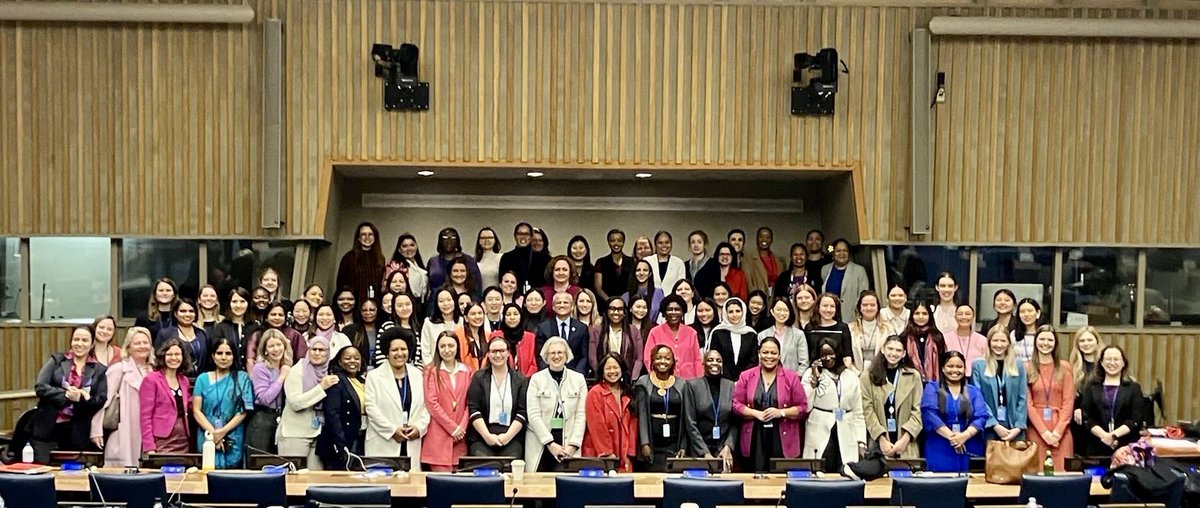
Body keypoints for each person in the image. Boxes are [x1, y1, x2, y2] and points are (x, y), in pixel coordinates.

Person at [31, 326, 108, 463]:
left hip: (78, 431)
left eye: (85, 340)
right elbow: (40, 387)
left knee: (73, 475)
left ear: (92, 344)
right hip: (48, 428)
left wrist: (80, 399)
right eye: (76, 339)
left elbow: (100, 400)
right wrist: (66, 395)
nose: (79, 343)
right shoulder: (57, 360)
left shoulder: (99, 370)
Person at [733, 337, 807, 472]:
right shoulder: (746, 376)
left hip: (782, 436)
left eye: (773, 353)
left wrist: (781, 412)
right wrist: (756, 413)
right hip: (754, 436)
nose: (769, 356)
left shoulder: (791, 377)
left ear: (779, 355)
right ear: (759, 354)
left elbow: (802, 407)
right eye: (765, 352)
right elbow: (736, 404)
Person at [90, 327, 153, 467]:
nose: (142, 346)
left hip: (149, 432)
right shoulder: (118, 369)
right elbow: (103, 402)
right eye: (137, 343)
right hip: (124, 430)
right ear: (128, 347)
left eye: (145, 342)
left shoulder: (154, 370)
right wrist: (96, 429)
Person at [365, 333, 429, 470]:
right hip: (383, 441)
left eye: (403, 349)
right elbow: (370, 408)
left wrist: (419, 427)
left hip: (411, 440)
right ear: (387, 353)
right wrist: (392, 430)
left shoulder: (418, 374)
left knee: (410, 487)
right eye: (394, 350)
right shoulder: (374, 376)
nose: (399, 353)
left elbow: (426, 406)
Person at [524, 337, 588, 472]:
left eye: (560, 353)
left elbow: (581, 415)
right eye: (552, 353)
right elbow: (533, 415)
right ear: (546, 356)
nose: (556, 356)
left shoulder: (578, 379)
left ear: (567, 355)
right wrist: (550, 443)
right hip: (541, 444)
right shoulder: (536, 379)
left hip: (568, 445)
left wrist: (573, 445)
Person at [802, 340, 867, 472]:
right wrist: (814, 381)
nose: (828, 358)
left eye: (831, 354)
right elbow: (806, 407)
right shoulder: (810, 373)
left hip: (846, 427)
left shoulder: (851, 376)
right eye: (823, 354)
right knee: (819, 469)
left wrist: (861, 440)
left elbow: (858, 411)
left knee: (846, 469)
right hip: (820, 427)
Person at [921, 351, 988, 473]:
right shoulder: (932, 388)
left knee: (970, 486)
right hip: (939, 444)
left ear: (964, 369)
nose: (955, 370)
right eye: (950, 366)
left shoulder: (974, 391)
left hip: (968, 444)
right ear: (942, 368)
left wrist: (964, 436)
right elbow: (929, 414)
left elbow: (981, 416)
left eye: (959, 366)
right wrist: (953, 438)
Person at [192, 338, 254, 468]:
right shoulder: (202, 379)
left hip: (233, 436)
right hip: (207, 435)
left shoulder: (242, 378)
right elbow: (196, 411)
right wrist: (213, 433)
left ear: (234, 356)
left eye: (228, 353)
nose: (224, 358)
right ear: (213, 356)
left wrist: (223, 431)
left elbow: (243, 411)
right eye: (219, 353)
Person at [279, 335, 337, 470]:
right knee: (293, 477)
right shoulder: (297, 371)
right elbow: (295, 403)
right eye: (313, 349)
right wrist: (321, 388)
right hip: (294, 434)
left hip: (317, 433)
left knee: (315, 479)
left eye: (322, 350)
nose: (317, 353)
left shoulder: (328, 371)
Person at [860, 336, 922, 459]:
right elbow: (867, 410)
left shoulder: (913, 376)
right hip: (878, 441)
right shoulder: (868, 376)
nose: (894, 353)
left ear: (904, 353)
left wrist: (905, 439)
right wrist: (881, 438)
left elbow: (917, 411)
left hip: (905, 442)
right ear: (883, 349)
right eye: (890, 349)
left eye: (898, 350)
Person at [467, 336, 529, 457]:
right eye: (494, 351)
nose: (498, 355)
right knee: (485, 467)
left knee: (509, 466)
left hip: (512, 438)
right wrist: (487, 436)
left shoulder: (520, 380)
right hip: (482, 438)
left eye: (501, 351)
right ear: (488, 354)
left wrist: (507, 437)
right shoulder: (478, 378)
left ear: (508, 353)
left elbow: (522, 412)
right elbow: (474, 410)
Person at [1025, 325, 1074, 471]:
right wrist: (1044, 433)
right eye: (1042, 339)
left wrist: (1057, 433)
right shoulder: (1026, 368)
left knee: (1062, 476)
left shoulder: (1065, 367)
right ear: (1035, 342)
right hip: (1037, 429)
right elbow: (1028, 404)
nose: (1045, 343)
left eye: (1050, 340)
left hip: (1061, 430)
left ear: (1055, 343)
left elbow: (1068, 402)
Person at [1079, 345, 1143, 458]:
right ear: (1102, 363)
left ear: (1123, 363)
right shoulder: (1091, 387)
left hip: (1125, 448)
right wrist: (1104, 436)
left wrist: (1113, 436)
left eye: (1116, 359)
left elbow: (1136, 419)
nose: (1112, 363)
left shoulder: (1133, 388)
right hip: (1096, 447)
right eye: (1108, 359)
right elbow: (1087, 417)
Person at [423, 331, 472, 472]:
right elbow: (432, 403)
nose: (447, 350)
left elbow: (469, 403)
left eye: (451, 345)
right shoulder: (431, 371)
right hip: (438, 436)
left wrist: (461, 427)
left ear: (457, 347)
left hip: (461, 438)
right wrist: (453, 428)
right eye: (442, 346)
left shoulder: (466, 371)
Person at [634, 345, 688, 472]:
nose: (663, 361)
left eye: (667, 358)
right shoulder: (643, 382)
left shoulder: (682, 384)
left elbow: (686, 417)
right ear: (652, 361)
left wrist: (683, 446)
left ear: (673, 362)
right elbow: (641, 415)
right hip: (652, 442)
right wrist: (644, 443)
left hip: (674, 442)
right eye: (658, 358)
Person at [683, 350, 737, 472]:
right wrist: (704, 453)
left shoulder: (731, 386)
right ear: (703, 363)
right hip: (698, 450)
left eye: (718, 360)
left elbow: (735, 422)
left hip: (723, 450)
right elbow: (690, 423)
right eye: (710, 360)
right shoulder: (692, 386)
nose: (715, 363)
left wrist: (728, 447)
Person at [970, 328, 1028, 441]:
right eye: (995, 341)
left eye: (1003, 341)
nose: (999, 345)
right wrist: (994, 424)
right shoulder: (978, 365)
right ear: (989, 342)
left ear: (1008, 343)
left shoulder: (1018, 365)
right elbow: (978, 398)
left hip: (1014, 428)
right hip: (989, 428)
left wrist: (1018, 426)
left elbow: (1023, 397)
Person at [584, 353, 638, 472]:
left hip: (624, 456)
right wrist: (607, 453)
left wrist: (630, 453)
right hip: (600, 455)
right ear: (602, 371)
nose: (612, 371)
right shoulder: (595, 393)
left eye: (615, 367)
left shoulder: (628, 392)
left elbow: (633, 424)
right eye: (608, 368)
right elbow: (596, 426)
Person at [139, 339, 192, 459]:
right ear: (163, 356)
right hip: (161, 441)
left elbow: (189, 405)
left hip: (183, 441)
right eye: (169, 354)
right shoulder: (151, 380)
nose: (174, 358)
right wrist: (149, 447)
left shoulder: (184, 381)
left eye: (177, 354)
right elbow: (145, 416)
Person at [317, 343, 367, 470]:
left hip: (360, 436)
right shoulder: (336, 381)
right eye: (347, 358)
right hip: (340, 440)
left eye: (356, 358)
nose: (352, 361)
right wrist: (340, 444)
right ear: (339, 361)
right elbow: (332, 414)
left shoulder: (363, 382)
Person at [247, 329, 292, 454]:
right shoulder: (260, 368)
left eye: (279, 345)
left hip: (282, 418)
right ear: (265, 349)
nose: (276, 349)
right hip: (263, 419)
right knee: (260, 462)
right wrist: (281, 377)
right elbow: (265, 399)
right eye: (271, 346)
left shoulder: (287, 366)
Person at [642, 295, 702, 379]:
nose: (673, 312)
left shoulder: (691, 332)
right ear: (664, 312)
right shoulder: (655, 332)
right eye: (669, 309)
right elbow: (648, 358)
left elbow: (697, 360)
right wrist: (655, 377)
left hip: (689, 381)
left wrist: (699, 381)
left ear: (682, 312)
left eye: (677, 309)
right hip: (663, 380)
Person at [534, 292, 589, 375]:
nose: (562, 305)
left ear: (572, 306)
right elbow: (541, 356)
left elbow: (584, 357)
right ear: (553, 307)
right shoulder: (543, 328)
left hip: (574, 375)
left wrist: (576, 376)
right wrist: (548, 375)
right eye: (558, 303)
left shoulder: (582, 328)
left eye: (565, 302)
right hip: (550, 374)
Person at [589, 297, 642, 379]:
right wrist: (601, 374)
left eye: (620, 309)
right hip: (603, 378)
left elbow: (639, 358)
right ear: (607, 311)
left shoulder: (634, 331)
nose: (616, 312)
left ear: (624, 312)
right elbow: (592, 357)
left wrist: (633, 378)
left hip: (628, 379)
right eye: (612, 309)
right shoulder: (597, 331)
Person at [1069, 326, 1105, 446]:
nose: (1086, 344)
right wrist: (1077, 408)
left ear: (1097, 341)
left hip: (1101, 418)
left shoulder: (1105, 365)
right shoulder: (1072, 367)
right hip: (1079, 421)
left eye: (1090, 340)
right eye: (1082, 341)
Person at [246, 302, 307, 373]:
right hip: (262, 376)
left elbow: (302, 361)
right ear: (266, 317)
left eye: (280, 315)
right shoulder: (258, 335)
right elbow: (250, 359)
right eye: (273, 314)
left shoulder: (294, 335)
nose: (277, 318)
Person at [155, 298, 209, 376]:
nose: (187, 314)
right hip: (175, 380)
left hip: (200, 381)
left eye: (191, 311)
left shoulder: (202, 334)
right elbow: (159, 360)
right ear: (175, 313)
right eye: (183, 311)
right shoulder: (165, 334)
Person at [820, 239, 871, 322]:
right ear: (833, 253)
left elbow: (863, 296)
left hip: (851, 318)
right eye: (838, 251)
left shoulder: (859, 271)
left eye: (845, 250)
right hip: (830, 316)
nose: (842, 253)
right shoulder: (825, 269)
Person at [710, 298, 759, 382]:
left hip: (746, 381)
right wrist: (728, 380)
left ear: (743, 312)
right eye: (730, 312)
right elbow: (715, 358)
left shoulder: (751, 334)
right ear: (725, 313)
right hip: (721, 380)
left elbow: (753, 361)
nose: (734, 315)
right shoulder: (717, 333)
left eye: (738, 311)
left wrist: (741, 379)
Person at [211, 288, 260, 370]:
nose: (238, 305)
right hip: (227, 375)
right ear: (229, 304)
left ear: (248, 303)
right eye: (234, 302)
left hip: (251, 376)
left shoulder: (255, 327)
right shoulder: (221, 327)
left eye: (242, 301)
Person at [336, 222, 386, 302]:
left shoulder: (380, 258)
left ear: (375, 237)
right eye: (363, 234)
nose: (367, 237)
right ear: (358, 238)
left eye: (370, 234)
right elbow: (341, 285)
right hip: (354, 304)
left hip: (374, 305)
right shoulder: (349, 257)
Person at [426, 227, 484, 295]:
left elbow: (477, 285)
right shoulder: (433, 262)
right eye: (445, 238)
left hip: (465, 300)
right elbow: (427, 285)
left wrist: (474, 302)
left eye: (453, 238)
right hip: (437, 300)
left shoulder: (469, 261)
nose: (449, 241)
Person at [758, 298, 809, 373]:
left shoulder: (798, 335)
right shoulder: (762, 335)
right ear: (772, 311)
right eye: (778, 310)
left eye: (785, 310)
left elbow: (804, 363)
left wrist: (794, 379)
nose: (782, 313)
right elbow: (760, 362)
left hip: (791, 380)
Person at [848, 291, 896, 372]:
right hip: (855, 375)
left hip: (882, 373)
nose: (869, 308)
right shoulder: (850, 329)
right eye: (865, 305)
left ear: (878, 307)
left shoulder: (888, 328)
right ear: (859, 307)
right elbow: (846, 357)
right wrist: (857, 374)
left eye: (872, 305)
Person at [805, 293, 854, 368]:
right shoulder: (810, 328)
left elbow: (847, 356)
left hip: (839, 372)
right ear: (818, 307)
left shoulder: (843, 328)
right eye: (825, 306)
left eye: (832, 306)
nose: (828, 310)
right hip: (815, 371)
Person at [498, 223, 551, 292]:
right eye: (520, 234)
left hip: (536, 299)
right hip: (513, 298)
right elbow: (502, 282)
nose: (523, 237)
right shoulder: (507, 258)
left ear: (531, 237)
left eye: (526, 234)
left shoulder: (544, 258)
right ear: (515, 236)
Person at [491, 303, 539, 377]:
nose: (512, 317)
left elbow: (534, 364)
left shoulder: (530, 337)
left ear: (521, 317)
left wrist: (524, 381)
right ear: (504, 317)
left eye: (515, 314)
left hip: (526, 381)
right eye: (508, 314)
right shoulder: (496, 336)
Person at [902, 302, 946, 381]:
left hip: (934, 383)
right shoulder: (904, 337)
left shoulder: (937, 337)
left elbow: (942, 363)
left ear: (930, 316)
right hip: (910, 382)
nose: (921, 317)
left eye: (924, 313)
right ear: (912, 315)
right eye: (917, 313)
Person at [383, 234, 429, 305]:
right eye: (405, 246)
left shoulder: (419, 266)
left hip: (420, 304)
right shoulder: (394, 265)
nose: (409, 248)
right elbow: (387, 288)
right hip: (403, 302)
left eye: (412, 245)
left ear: (416, 247)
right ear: (399, 249)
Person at [594, 229, 634, 310]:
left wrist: (624, 302)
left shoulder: (632, 262)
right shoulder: (601, 262)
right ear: (608, 242)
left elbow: (634, 285)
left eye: (619, 240)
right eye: (612, 240)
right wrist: (611, 302)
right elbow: (598, 288)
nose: (616, 243)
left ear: (623, 242)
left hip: (627, 304)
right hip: (606, 304)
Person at [420, 288, 461, 366]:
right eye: (441, 301)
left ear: (455, 301)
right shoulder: (429, 323)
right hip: (434, 370)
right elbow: (425, 351)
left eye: (449, 300)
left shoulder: (462, 322)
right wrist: (432, 371)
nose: (445, 304)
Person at [945, 304, 988, 378]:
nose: (964, 317)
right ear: (955, 317)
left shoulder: (982, 340)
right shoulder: (945, 338)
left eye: (968, 314)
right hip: (951, 378)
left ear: (973, 317)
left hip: (976, 379)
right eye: (960, 314)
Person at [742, 227, 783, 297]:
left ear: (771, 240)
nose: (764, 240)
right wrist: (756, 299)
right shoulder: (748, 258)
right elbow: (748, 283)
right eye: (761, 237)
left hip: (775, 299)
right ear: (757, 239)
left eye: (768, 237)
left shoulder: (779, 260)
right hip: (757, 299)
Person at [343, 298, 383, 367]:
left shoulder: (383, 329)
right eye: (364, 310)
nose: (368, 313)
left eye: (372, 310)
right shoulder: (349, 330)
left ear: (377, 310)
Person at [456, 303, 490, 372]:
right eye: (473, 314)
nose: (477, 316)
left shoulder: (488, 336)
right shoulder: (458, 335)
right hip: (464, 376)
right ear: (466, 318)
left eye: (480, 313)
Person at [1011, 298, 1044, 364]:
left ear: (1038, 313)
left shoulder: (1044, 333)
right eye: (1022, 311)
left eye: (1030, 311)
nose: (1026, 314)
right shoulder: (1013, 334)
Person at [931, 272, 960, 336]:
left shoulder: (962, 312)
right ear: (937, 287)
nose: (946, 289)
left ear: (956, 287)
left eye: (950, 286)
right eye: (942, 286)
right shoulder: (930, 311)